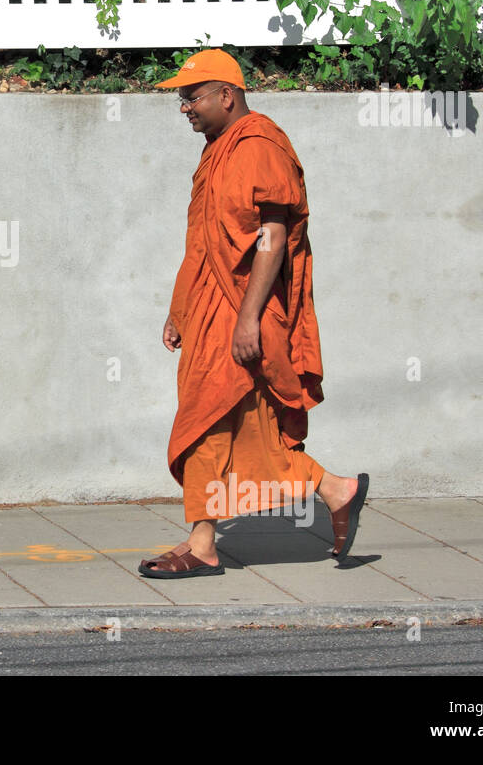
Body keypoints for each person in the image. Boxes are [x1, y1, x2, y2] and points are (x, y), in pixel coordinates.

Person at [139, 49, 367, 578]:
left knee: (203, 420)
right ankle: (335, 489)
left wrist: (248, 317)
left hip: (242, 310)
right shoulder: (217, 150)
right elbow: (203, 242)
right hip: (210, 309)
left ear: (227, 94)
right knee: (239, 427)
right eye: (180, 99)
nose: (184, 108)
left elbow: (273, 235)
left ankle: (202, 544)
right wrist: (181, 308)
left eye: (190, 97)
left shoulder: (259, 144)